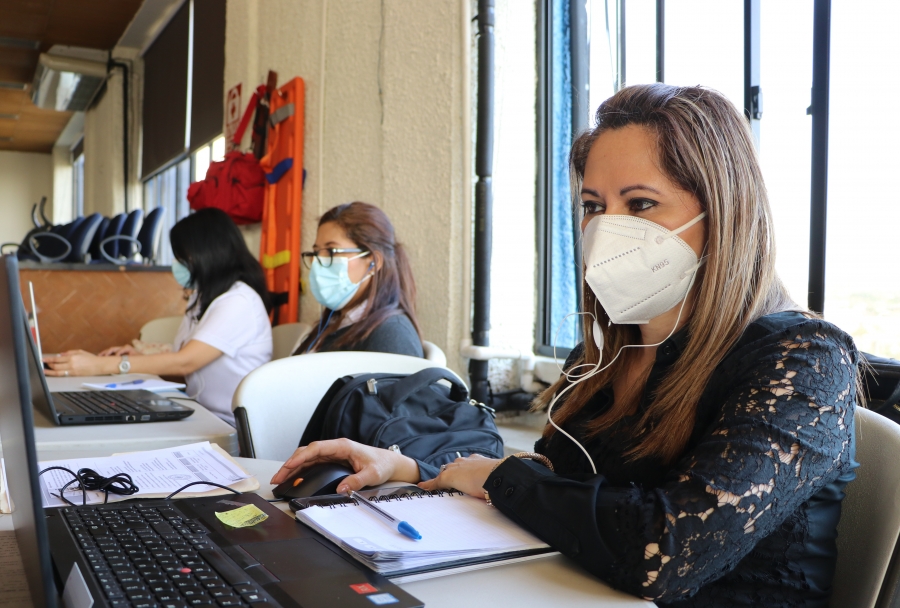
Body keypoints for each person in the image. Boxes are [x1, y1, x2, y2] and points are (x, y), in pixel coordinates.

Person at [271, 84, 859, 606]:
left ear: (724, 212)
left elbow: (665, 551)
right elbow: (561, 488)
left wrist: (499, 478)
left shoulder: (803, 360)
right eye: (594, 206)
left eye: (641, 204)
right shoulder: (606, 354)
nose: (607, 228)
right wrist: (416, 469)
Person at [45, 208, 273, 426]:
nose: (178, 265)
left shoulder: (238, 301)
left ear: (209, 253)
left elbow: (186, 362)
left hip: (226, 425)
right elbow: (186, 366)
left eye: (182, 258)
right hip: (199, 412)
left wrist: (100, 365)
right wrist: (139, 359)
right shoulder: (203, 298)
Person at [293, 201, 424, 357]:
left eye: (331, 251)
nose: (316, 261)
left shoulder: (392, 335)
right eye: (316, 252)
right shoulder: (334, 323)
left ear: (374, 261)